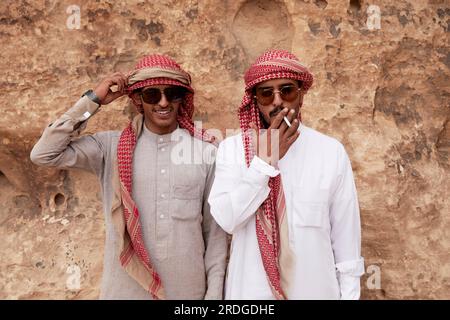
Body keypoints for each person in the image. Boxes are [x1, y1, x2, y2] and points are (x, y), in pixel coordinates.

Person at [30, 54, 228, 300]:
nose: (163, 103)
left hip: (187, 292)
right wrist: (94, 100)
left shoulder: (205, 151)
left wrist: (214, 295)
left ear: (182, 98)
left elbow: (215, 234)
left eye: (172, 93)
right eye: (152, 94)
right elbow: (44, 154)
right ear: (138, 99)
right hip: (124, 291)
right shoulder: (110, 148)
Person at [208, 49, 364, 300]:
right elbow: (227, 219)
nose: (277, 101)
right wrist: (263, 164)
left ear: (300, 96)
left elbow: (346, 242)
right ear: (255, 100)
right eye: (266, 93)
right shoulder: (234, 150)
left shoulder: (330, 151)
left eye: (287, 90)